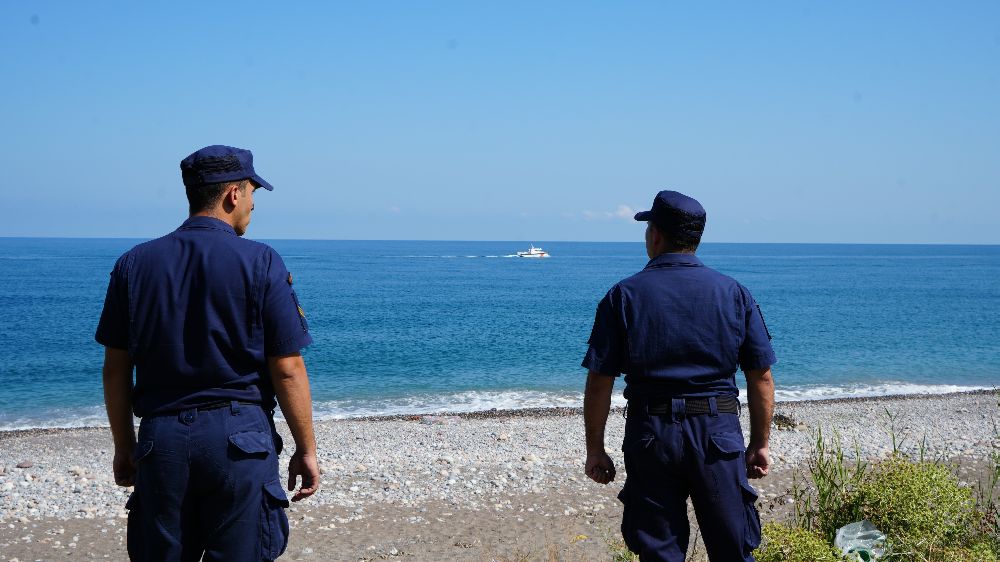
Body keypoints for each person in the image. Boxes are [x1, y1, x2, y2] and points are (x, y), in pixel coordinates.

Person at [96, 145, 320, 561]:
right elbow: (287, 369)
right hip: (241, 440)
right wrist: (306, 449)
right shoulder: (262, 261)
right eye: (253, 192)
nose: (254, 203)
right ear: (233, 194)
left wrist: (124, 447)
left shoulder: (133, 264)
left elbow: (115, 370)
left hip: (161, 439)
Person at [581, 190, 776, 561]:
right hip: (717, 432)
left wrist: (595, 448)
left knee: (659, 551)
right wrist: (759, 443)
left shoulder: (623, 296)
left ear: (655, 235)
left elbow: (600, 381)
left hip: (651, 434)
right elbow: (760, 377)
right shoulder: (734, 293)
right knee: (732, 548)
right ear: (695, 239)